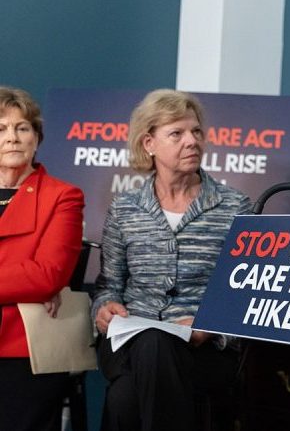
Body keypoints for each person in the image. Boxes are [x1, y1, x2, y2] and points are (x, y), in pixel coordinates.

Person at [92, 89, 252, 431]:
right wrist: (104, 308)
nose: (192, 141)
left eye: (196, 131)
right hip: (129, 342)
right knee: (151, 343)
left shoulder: (234, 206)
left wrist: (209, 326)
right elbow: (109, 285)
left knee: (124, 398)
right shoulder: (125, 208)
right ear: (149, 143)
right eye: (177, 133)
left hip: (204, 350)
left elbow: (244, 291)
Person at [0, 86, 85, 431]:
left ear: (36, 138)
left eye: (22, 128)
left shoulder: (63, 196)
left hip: (26, 345)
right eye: (1, 128)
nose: (12, 137)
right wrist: (22, 281)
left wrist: (39, 285)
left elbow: (47, 275)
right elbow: (30, 277)